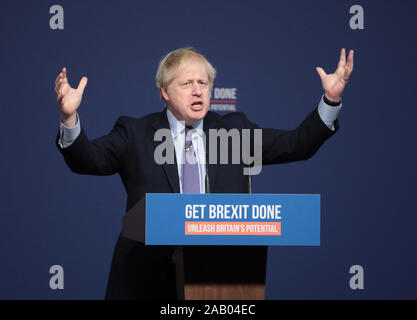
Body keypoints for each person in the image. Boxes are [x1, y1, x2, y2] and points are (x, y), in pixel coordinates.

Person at [55, 47, 354, 299]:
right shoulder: (134, 133)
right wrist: (69, 119)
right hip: (143, 281)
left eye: (203, 82)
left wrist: (330, 101)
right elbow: (88, 160)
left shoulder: (235, 131)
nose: (198, 90)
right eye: (186, 84)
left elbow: (296, 144)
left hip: (220, 283)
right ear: (164, 91)